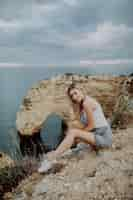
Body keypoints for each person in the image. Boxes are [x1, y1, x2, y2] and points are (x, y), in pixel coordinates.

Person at [38, 83, 112, 172]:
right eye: (72, 96)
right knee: (73, 128)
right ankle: (65, 148)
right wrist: (74, 106)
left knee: (73, 132)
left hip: (104, 138)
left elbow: (91, 126)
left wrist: (78, 135)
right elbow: (79, 122)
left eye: (75, 93)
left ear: (81, 90)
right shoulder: (82, 104)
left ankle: (51, 159)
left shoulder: (86, 103)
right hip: (97, 134)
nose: (74, 97)